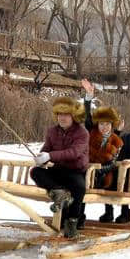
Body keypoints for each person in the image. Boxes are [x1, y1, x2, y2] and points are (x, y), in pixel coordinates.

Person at [31, 97, 89, 239]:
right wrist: (40, 158)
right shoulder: (52, 131)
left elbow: (74, 153)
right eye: (60, 114)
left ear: (73, 116)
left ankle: (72, 222)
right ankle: (59, 192)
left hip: (75, 171)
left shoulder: (82, 133)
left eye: (66, 115)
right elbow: (46, 149)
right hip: (58, 171)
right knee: (36, 172)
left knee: (79, 187)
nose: (62, 118)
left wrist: (49, 156)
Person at [80, 79, 124, 227]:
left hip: (104, 173)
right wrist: (89, 96)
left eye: (108, 124)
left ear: (112, 126)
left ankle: (109, 211)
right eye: (102, 124)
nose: (104, 127)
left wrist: (99, 170)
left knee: (107, 179)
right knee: (81, 182)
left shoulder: (116, 141)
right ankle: (79, 214)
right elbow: (87, 115)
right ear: (97, 124)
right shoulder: (91, 133)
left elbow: (112, 163)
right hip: (87, 170)